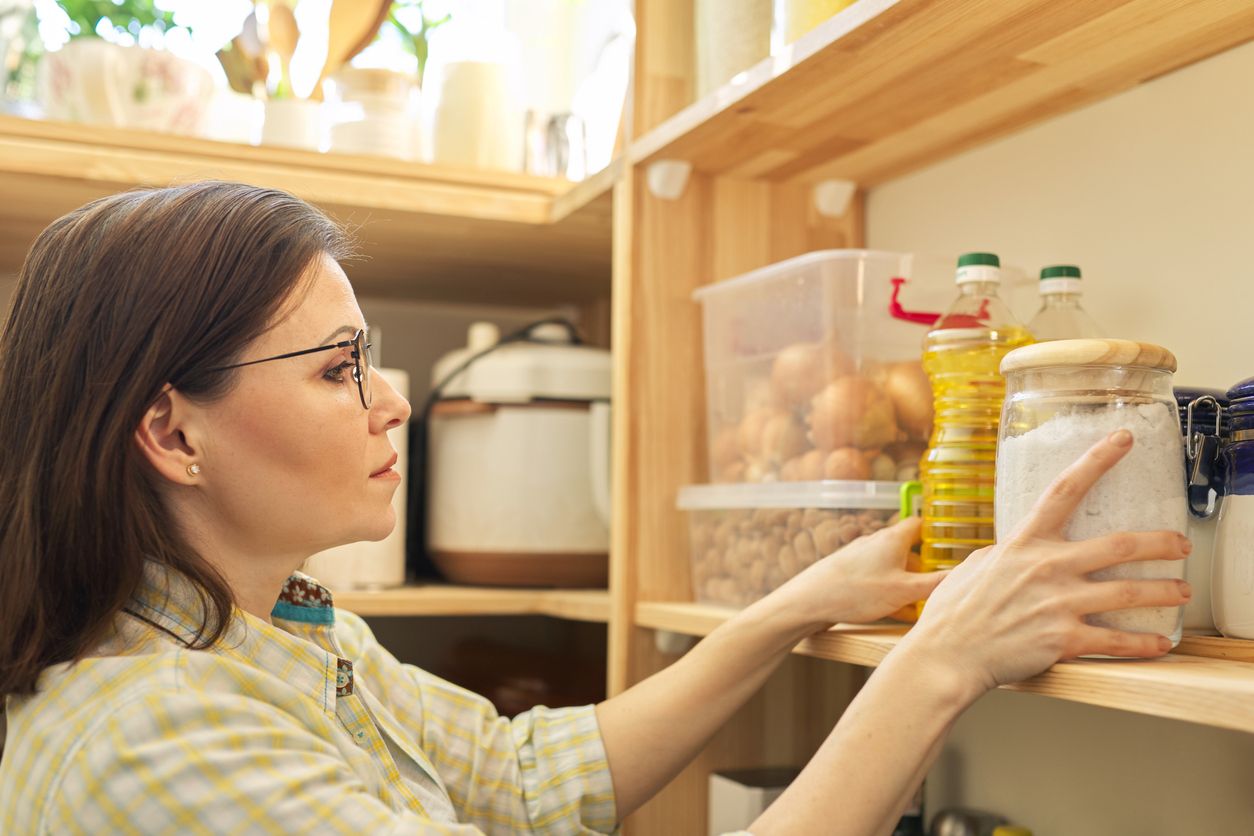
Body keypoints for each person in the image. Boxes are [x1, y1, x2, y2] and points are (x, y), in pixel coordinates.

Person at [0, 182, 1190, 835]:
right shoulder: (156, 737)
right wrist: (939, 664)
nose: (395, 399)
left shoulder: (271, 629)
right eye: (336, 367)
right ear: (171, 431)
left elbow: (524, 777)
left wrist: (790, 607)